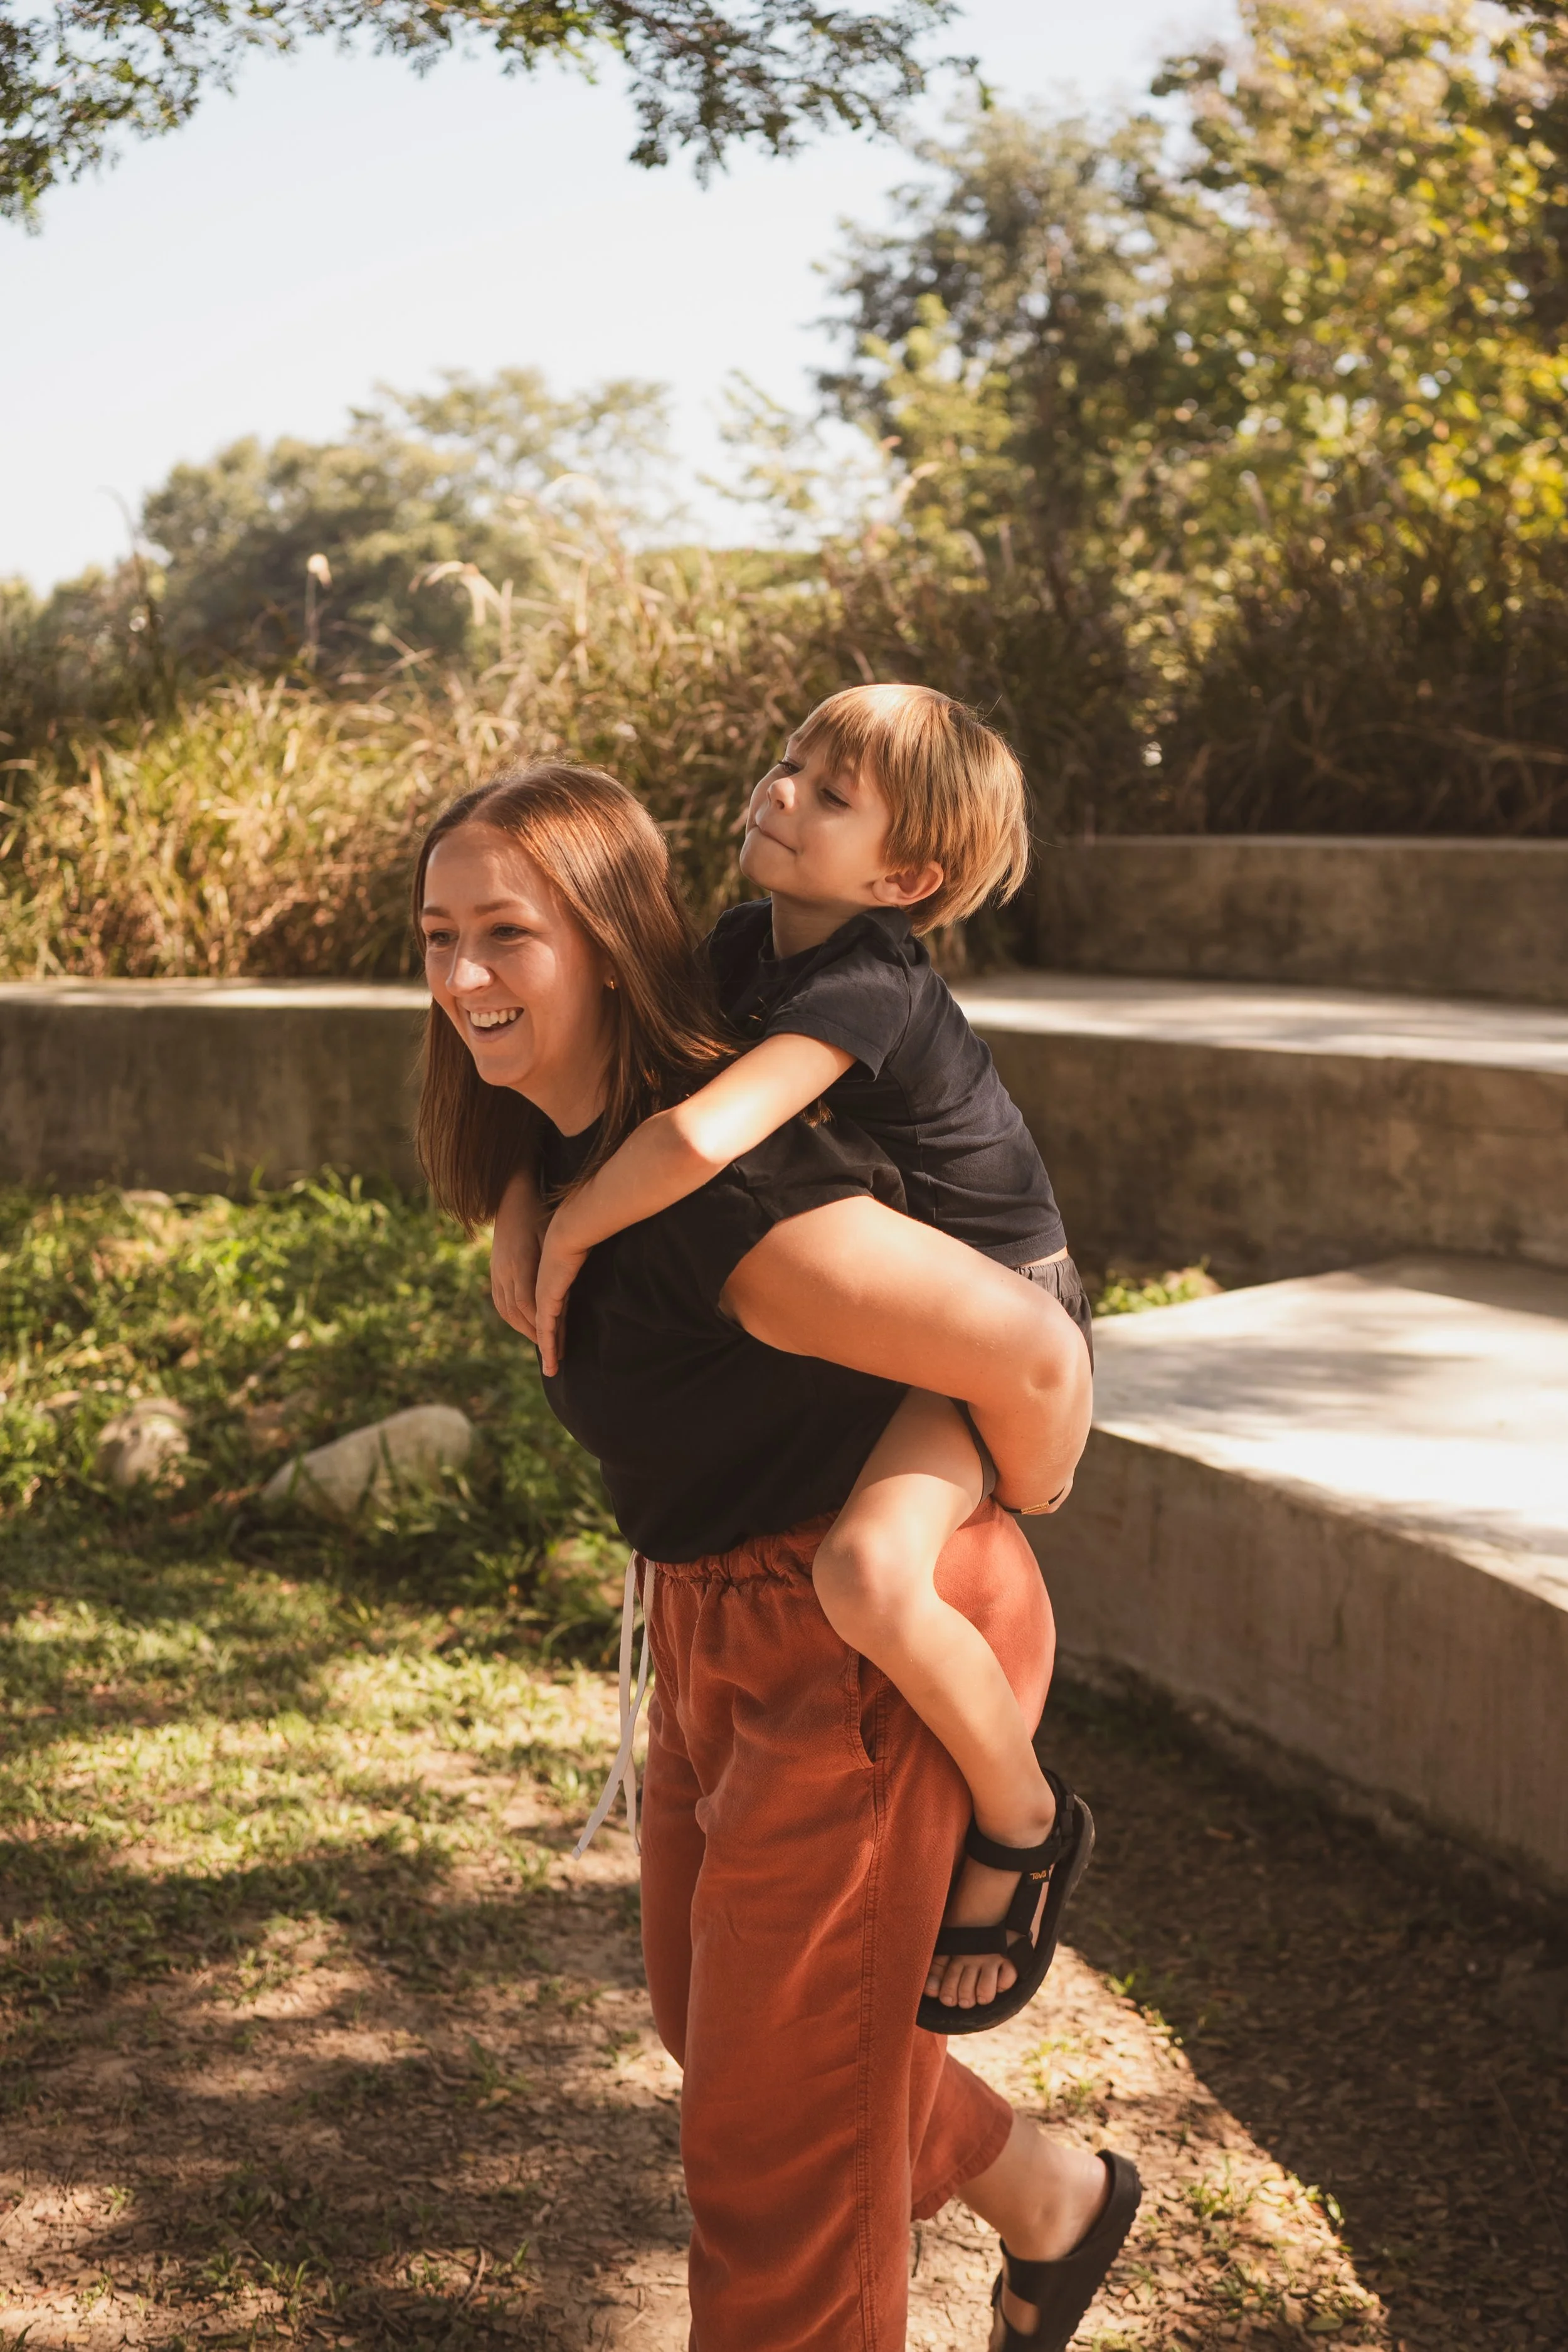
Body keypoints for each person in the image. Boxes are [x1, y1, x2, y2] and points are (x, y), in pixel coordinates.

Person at [414, 760, 1141, 2349]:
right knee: (731, 2038)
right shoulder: (563, 1161)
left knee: (774, 2150)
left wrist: (990, 1522)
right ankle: (1049, 2200)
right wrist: (540, 1210)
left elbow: (1032, 1350)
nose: (465, 975)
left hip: (856, 1635)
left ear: (607, 942)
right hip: (716, 1618)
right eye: (439, 935)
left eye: (508, 935)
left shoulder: (726, 1202)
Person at [488, 685, 1096, 2028]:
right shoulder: (740, 942)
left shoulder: (865, 978)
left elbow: (701, 1139)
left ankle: (1026, 1817)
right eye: (785, 766)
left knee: (868, 1574)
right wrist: (523, 1195)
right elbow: (628, 1086)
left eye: (829, 796)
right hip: (899, 1313)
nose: (778, 794)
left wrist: (573, 1229)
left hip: (995, 1313)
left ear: (904, 875)